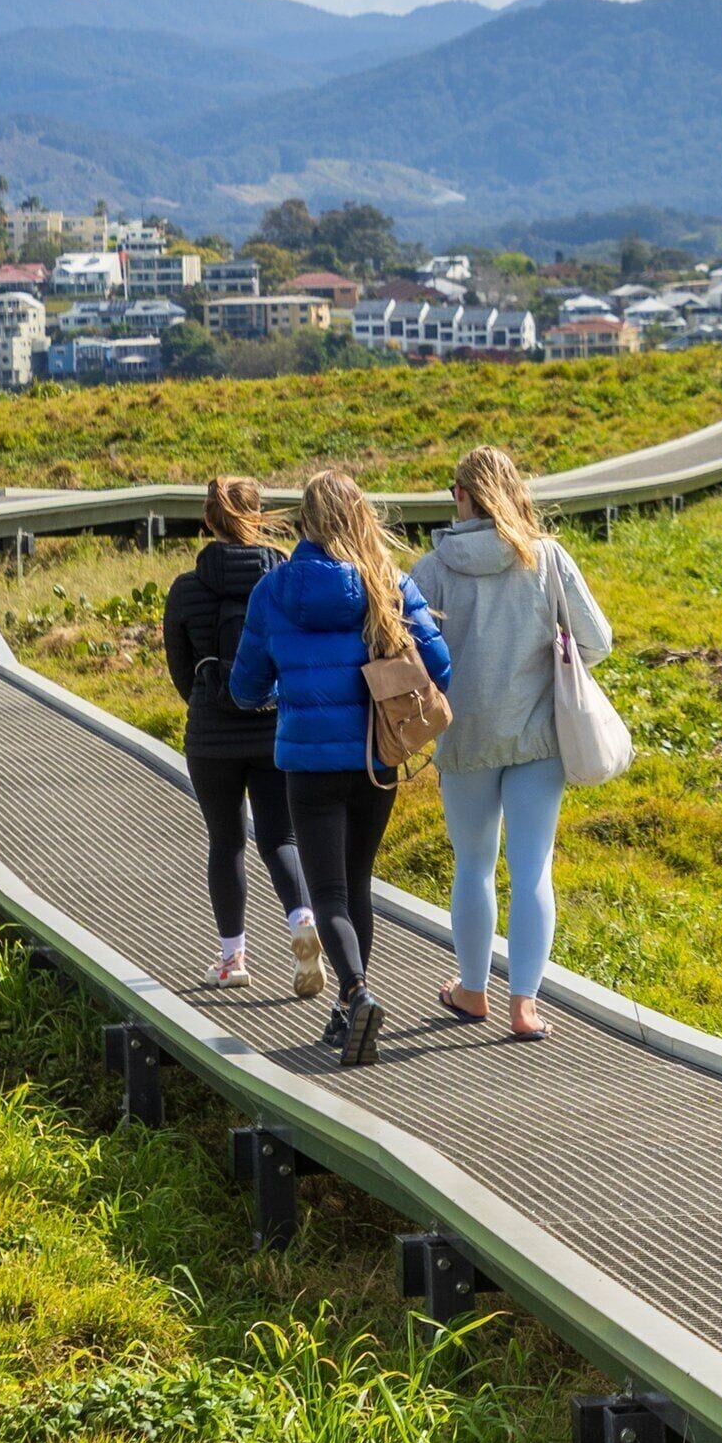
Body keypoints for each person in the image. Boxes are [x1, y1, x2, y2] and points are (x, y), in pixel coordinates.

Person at [230, 469, 450, 1067]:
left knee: (326, 889)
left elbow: (245, 686)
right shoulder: (388, 583)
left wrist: (274, 694)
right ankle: (349, 1008)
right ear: (360, 518)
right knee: (357, 884)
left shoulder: (273, 591)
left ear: (304, 522)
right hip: (374, 759)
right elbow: (442, 668)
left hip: (307, 762)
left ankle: (354, 995)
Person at [407, 444, 611, 1042]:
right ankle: (525, 1006)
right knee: (533, 870)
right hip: (537, 737)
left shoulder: (432, 569)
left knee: (472, 866)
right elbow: (597, 640)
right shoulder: (545, 557)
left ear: (462, 497)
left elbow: (407, 653)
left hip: (463, 739)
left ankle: (473, 991)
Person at [159, 475, 319, 994]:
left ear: (207, 521)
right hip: (275, 728)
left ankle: (233, 959)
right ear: (258, 515)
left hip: (211, 736)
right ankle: (301, 921)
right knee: (281, 838)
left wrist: (211, 704)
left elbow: (181, 674)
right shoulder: (284, 578)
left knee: (226, 841)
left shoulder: (186, 589)